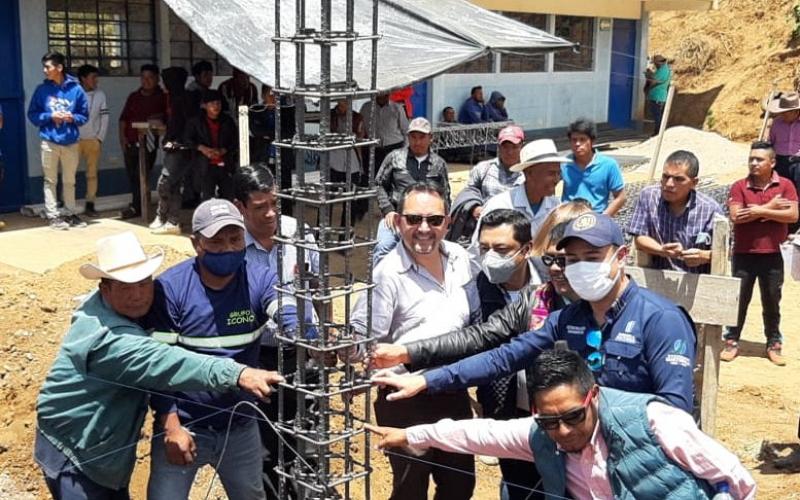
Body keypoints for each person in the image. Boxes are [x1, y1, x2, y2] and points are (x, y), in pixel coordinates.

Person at [34, 231, 285, 500]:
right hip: (75, 453)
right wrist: (239, 373)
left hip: (106, 451)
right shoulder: (108, 337)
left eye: (143, 284)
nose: (138, 295)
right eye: (126, 287)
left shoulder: (121, 311)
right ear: (105, 289)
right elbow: (167, 363)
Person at [374, 213, 699, 415]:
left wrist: (593, 412)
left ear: (621, 256)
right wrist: (426, 378)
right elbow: (501, 357)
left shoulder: (661, 319)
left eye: (592, 256)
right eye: (571, 258)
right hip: (577, 457)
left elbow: (674, 410)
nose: (578, 267)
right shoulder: (568, 319)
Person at [370, 202, 590, 500]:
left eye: (569, 260)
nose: (556, 268)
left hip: (589, 427)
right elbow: (483, 344)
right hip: (526, 417)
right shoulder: (533, 299)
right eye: (551, 258)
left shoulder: (627, 312)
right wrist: (409, 357)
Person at [368, 349, 757, 500]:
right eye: (550, 420)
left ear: (594, 397)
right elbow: (476, 432)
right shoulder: (540, 434)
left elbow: (736, 479)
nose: (564, 431)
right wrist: (408, 434)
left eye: (573, 416)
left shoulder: (655, 421)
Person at [144, 198, 313, 499]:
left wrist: (305, 333)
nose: (227, 248)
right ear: (197, 244)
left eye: (234, 239)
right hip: (185, 424)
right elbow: (157, 367)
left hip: (240, 427)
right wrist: (170, 426)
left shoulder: (259, 278)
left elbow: (284, 307)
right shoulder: (170, 289)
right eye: (216, 241)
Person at [351, 182, 479, 500]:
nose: (424, 229)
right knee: (412, 484)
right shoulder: (387, 274)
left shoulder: (461, 259)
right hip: (404, 399)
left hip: (452, 387)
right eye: (414, 219)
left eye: (434, 220)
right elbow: (363, 340)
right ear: (397, 222)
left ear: (447, 223)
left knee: (459, 484)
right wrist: (348, 351)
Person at [233, 164, 320, 496]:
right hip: (258, 357)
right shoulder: (232, 243)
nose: (270, 213)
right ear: (240, 207)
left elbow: (317, 288)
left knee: (309, 443)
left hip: (302, 354)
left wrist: (319, 343)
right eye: (259, 207)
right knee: (265, 449)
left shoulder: (299, 233)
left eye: (275, 203)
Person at [722, 141, 799, 366]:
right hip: (744, 252)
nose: (754, 163)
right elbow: (737, 216)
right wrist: (774, 209)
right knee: (738, 298)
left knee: (772, 300)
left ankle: (773, 343)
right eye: (751, 159)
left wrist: (758, 210)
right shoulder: (739, 186)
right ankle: (731, 340)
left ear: (772, 162)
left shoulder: (785, 185)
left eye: (759, 159)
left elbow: (793, 216)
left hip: (774, 253)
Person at [627, 150, 723, 273]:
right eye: (666, 177)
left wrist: (703, 256)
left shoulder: (710, 210)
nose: (669, 184)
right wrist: (662, 250)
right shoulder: (649, 197)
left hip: (696, 283)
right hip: (656, 277)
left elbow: (724, 252)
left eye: (678, 179)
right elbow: (640, 237)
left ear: (694, 183)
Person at [374, 117, 451, 264]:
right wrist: (388, 210)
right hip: (397, 216)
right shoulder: (394, 157)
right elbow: (378, 184)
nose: (417, 142)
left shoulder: (439, 164)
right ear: (408, 137)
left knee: (435, 253)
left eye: (422, 137)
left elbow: (445, 195)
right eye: (413, 137)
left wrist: (441, 222)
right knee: (383, 248)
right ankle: (379, 285)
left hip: (428, 220)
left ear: (431, 138)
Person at [27, 51, 89, 229]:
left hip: (70, 141)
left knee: (70, 180)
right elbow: (32, 115)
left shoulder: (76, 89)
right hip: (49, 141)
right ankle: (53, 216)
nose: (44, 70)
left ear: (59, 68)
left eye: (48, 67)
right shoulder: (41, 90)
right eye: (44, 67)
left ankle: (70, 213)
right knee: (50, 180)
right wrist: (50, 115)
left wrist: (72, 117)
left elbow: (84, 116)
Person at [473, 139, 567, 245]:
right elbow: (477, 252)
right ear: (529, 174)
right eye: (550, 173)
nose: (556, 179)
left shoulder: (556, 208)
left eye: (558, 173)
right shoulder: (499, 205)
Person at [447, 125, 524, 243]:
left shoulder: (529, 173)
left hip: (517, 231)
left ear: (521, 147)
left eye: (514, 147)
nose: (509, 152)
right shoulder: (483, 169)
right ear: (499, 147)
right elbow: (469, 192)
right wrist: (474, 208)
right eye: (505, 147)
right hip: (483, 230)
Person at [118, 63, 167, 219]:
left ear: (157, 79)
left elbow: (166, 119)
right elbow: (123, 120)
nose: (146, 81)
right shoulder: (134, 96)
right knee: (132, 176)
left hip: (148, 144)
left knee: (142, 175)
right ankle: (137, 205)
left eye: (150, 78)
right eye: (143, 77)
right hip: (131, 142)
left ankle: (139, 207)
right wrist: (123, 139)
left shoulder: (163, 97)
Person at [150, 66, 194, 235]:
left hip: (180, 148)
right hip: (175, 146)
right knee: (173, 185)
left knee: (165, 182)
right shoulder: (174, 99)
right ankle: (170, 220)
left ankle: (165, 217)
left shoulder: (183, 100)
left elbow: (186, 126)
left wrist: (176, 142)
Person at [561, 118, 625, 215]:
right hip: (568, 218)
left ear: (592, 142)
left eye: (582, 139)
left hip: (596, 217)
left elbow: (621, 197)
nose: (577, 144)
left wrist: (603, 218)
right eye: (574, 140)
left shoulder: (608, 165)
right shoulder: (564, 164)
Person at [183, 89, 238, 201]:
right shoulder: (195, 122)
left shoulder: (228, 121)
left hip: (225, 164)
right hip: (204, 165)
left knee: (229, 198)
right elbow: (186, 140)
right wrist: (202, 148)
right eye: (212, 103)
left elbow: (235, 140)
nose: (216, 106)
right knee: (207, 199)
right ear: (204, 105)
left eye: (218, 103)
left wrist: (223, 150)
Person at [76, 64, 108, 217]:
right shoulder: (74, 93)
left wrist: (99, 138)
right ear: (83, 78)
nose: (96, 80)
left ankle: (90, 203)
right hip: (74, 140)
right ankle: (66, 203)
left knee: (92, 174)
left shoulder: (100, 95)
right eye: (93, 77)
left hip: (93, 140)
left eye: (97, 77)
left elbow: (105, 117)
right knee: (70, 173)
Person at [330, 98, 369, 223]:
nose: (345, 104)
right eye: (343, 101)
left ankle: (346, 236)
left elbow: (360, 138)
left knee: (350, 202)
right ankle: (321, 236)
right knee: (326, 200)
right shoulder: (329, 115)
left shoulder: (357, 117)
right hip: (332, 162)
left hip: (352, 163)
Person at [767, 92, 800, 231]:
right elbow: (770, 142)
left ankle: (796, 223)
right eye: (783, 112)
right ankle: (782, 222)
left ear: (796, 111)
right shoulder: (776, 123)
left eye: (787, 112)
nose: (784, 115)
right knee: (781, 192)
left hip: (798, 162)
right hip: (780, 161)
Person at [359, 92, 409, 170]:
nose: (383, 96)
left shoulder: (397, 108)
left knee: (394, 174)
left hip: (394, 147)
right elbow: (361, 130)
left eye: (385, 94)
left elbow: (406, 130)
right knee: (373, 176)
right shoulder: (366, 108)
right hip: (374, 149)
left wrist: (405, 151)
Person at [646, 55, 672, 135]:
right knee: (658, 115)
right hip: (660, 96)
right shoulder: (666, 70)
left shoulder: (662, 71)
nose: (654, 65)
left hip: (657, 96)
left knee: (657, 116)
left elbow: (654, 82)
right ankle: (658, 132)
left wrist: (648, 79)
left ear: (659, 63)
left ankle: (658, 133)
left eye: (655, 63)